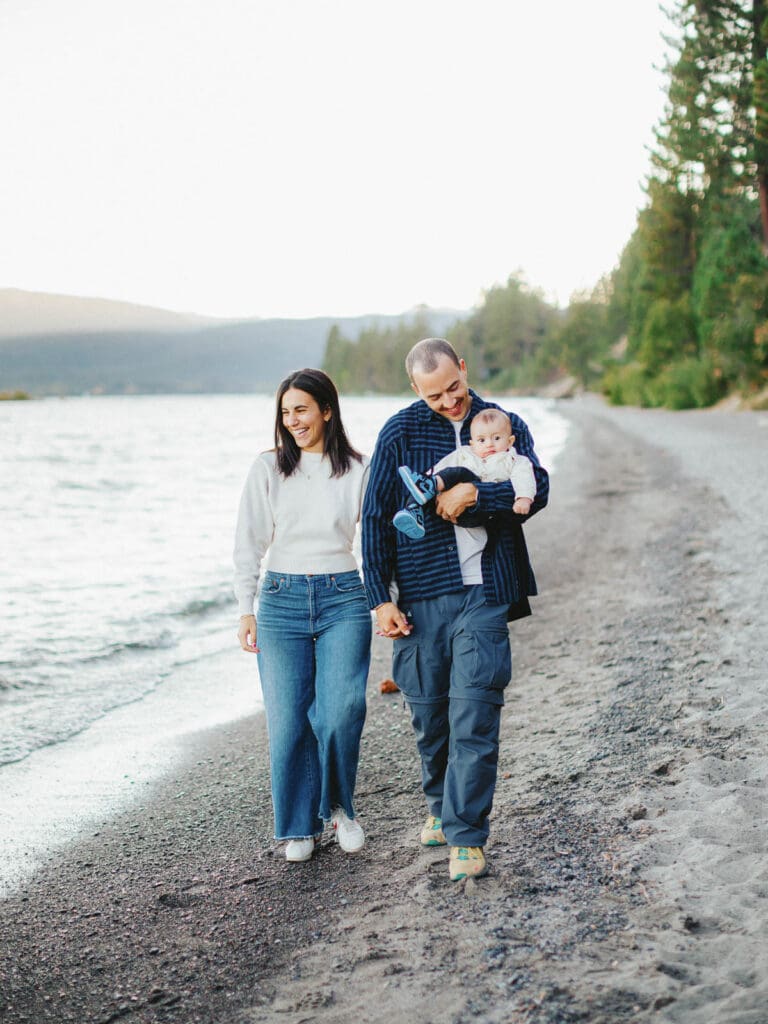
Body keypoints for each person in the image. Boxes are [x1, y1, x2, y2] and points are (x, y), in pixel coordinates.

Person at [362, 338, 549, 881]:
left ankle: (467, 836)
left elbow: (534, 489)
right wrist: (379, 598)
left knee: (475, 710)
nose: (449, 402)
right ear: (415, 390)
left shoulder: (503, 423)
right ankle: (440, 804)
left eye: (454, 387)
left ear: (464, 369)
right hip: (421, 594)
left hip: (488, 592)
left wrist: (476, 498)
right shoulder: (399, 432)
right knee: (429, 714)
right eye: (435, 394)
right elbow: (374, 518)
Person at [234, 368, 372, 864]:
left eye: (302, 410)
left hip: (344, 597)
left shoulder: (358, 468)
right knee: (289, 722)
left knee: (340, 713)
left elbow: (377, 543)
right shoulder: (268, 468)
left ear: (327, 411)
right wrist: (244, 609)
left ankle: (340, 809)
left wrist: (386, 598)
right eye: (286, 412)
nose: (293, 420)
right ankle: (298, 826)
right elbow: (248, 541)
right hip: (281, 601)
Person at [393, 407, 536, 539]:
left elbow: (524, 478)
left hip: (483, 512)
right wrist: (429, 477)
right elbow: (443, 467)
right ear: (472, 444)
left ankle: (426, 487)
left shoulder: (514, 460)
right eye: (481, 440)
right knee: (439, 483)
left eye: (497, 438)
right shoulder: (465, 454)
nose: (489, 444)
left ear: (510, 441)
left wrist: (523, 498)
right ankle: (413, 510)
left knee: (462, 473)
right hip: (453, 513)